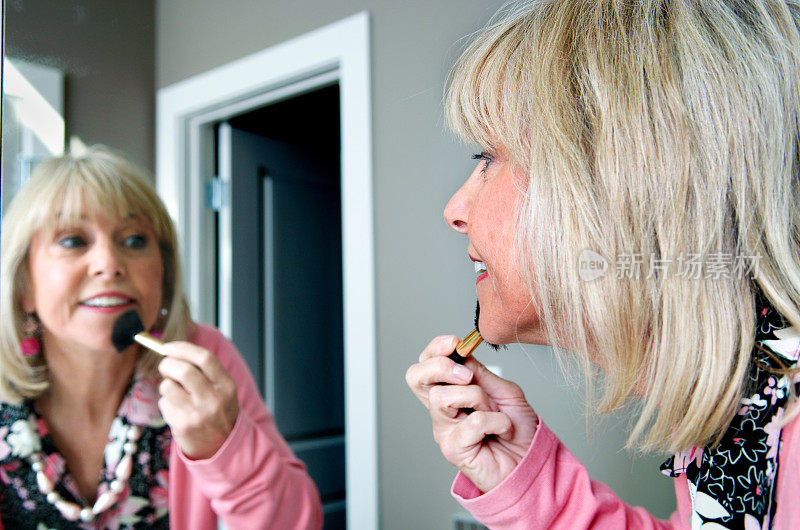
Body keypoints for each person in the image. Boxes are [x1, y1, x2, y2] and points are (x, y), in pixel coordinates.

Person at [406, 1, 800, 528]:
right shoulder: (744, 415)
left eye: (488, 158)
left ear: (623, 181)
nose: (454, 210)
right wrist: (525, 478)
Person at [0, 146, 322, 529]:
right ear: (25, 285)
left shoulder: (205, 356)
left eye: (134, 240)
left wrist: (225, 447)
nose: (109, 264)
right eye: (73, 241)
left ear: (162, 275)